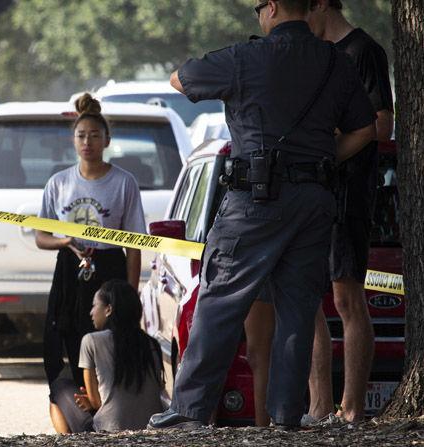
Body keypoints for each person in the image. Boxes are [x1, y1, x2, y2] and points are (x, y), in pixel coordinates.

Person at [148, 0, 376, 430]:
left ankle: (191, 408)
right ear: (310, 8)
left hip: (255, 199)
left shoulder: (244, 58)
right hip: (314, 202)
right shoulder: (336, 63)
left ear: (270, 8)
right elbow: (365, 129)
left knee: (220, 300)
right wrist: (321, 163)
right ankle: (287, 414)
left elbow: (179, 79)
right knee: (298, 306)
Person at [244, 0, 395, 426]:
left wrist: (325, 130)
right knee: (304, 300)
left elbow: (382, 124)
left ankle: (351, 408)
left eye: (303, 9)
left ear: (322, 5)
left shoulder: (364, 51)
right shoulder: (312, 57)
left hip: (349, 193)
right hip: (308, 195)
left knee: (347, 298)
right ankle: (318, 405)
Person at [35, 93, 146, 433]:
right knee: (66, 339)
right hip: (71, 269)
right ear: (73, 140)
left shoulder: (124, 182)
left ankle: (108, 411)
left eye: (95, 136)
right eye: (81, 135)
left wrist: (129, 292)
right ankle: (78, 416)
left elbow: (134, 245)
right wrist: (64, 241)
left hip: (109, 268)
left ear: (106, 140)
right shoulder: (59, 182)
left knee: (108, 343)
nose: (88, 142)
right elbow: (41, 237)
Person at [50, 279, 164, 433]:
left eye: (94, 305)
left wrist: (90, 401)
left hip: (108, 431)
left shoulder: (91, 341)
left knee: (58, 387)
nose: (91, 312)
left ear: (108, 309)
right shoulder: (151, 343)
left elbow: (96, 402)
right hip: (152, 429)